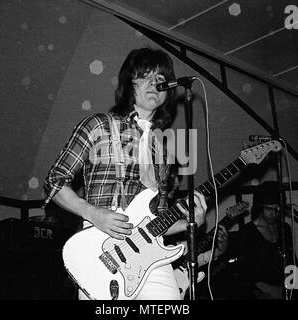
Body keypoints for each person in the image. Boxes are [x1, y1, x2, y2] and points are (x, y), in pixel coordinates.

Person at [43, 47, 207, 300]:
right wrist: (93, 213)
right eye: (145, 76)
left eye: (161, 79)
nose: (155, 83)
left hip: (150, 256)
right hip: (100, 247)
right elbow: (54, 181)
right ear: (129, 82)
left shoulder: (164, 150)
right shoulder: (98, 126)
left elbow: (156, 222)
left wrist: (190, 222)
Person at [227, 181, 298, 300]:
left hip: (286, 290)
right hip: (262, 292)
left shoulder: (284, 229)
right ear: (260, 207)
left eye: (277, 209)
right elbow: (243, 272)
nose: (274, 213)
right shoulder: (247, 232)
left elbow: (291, 261)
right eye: (269, 209)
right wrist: (265, 290)